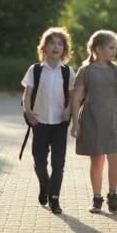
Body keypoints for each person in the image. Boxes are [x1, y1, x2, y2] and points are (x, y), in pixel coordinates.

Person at [70, 30, 117, 213]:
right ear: (97, 48)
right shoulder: (86, 71)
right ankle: (97, 197)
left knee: (116, 158)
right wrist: (76, 123)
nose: (114, 51)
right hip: (92, 120)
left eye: (115, 48)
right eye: (110, 47)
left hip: (115, 121)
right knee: (97, 160)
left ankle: (112, 194)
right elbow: (76, 98)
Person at [21, 27, 76, 214]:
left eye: (60, 43)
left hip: (60, 124)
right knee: (39, 162)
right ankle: (45, 186)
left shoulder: (68, 72)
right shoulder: (35, 70)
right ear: (44, 47)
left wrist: (69, 111)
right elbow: (27, 94)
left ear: (64, 50)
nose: (56, 46)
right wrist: (28, 112)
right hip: (39, 123)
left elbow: (74, 96)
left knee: (58, 163)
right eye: (51, 43)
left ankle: (54, 199)